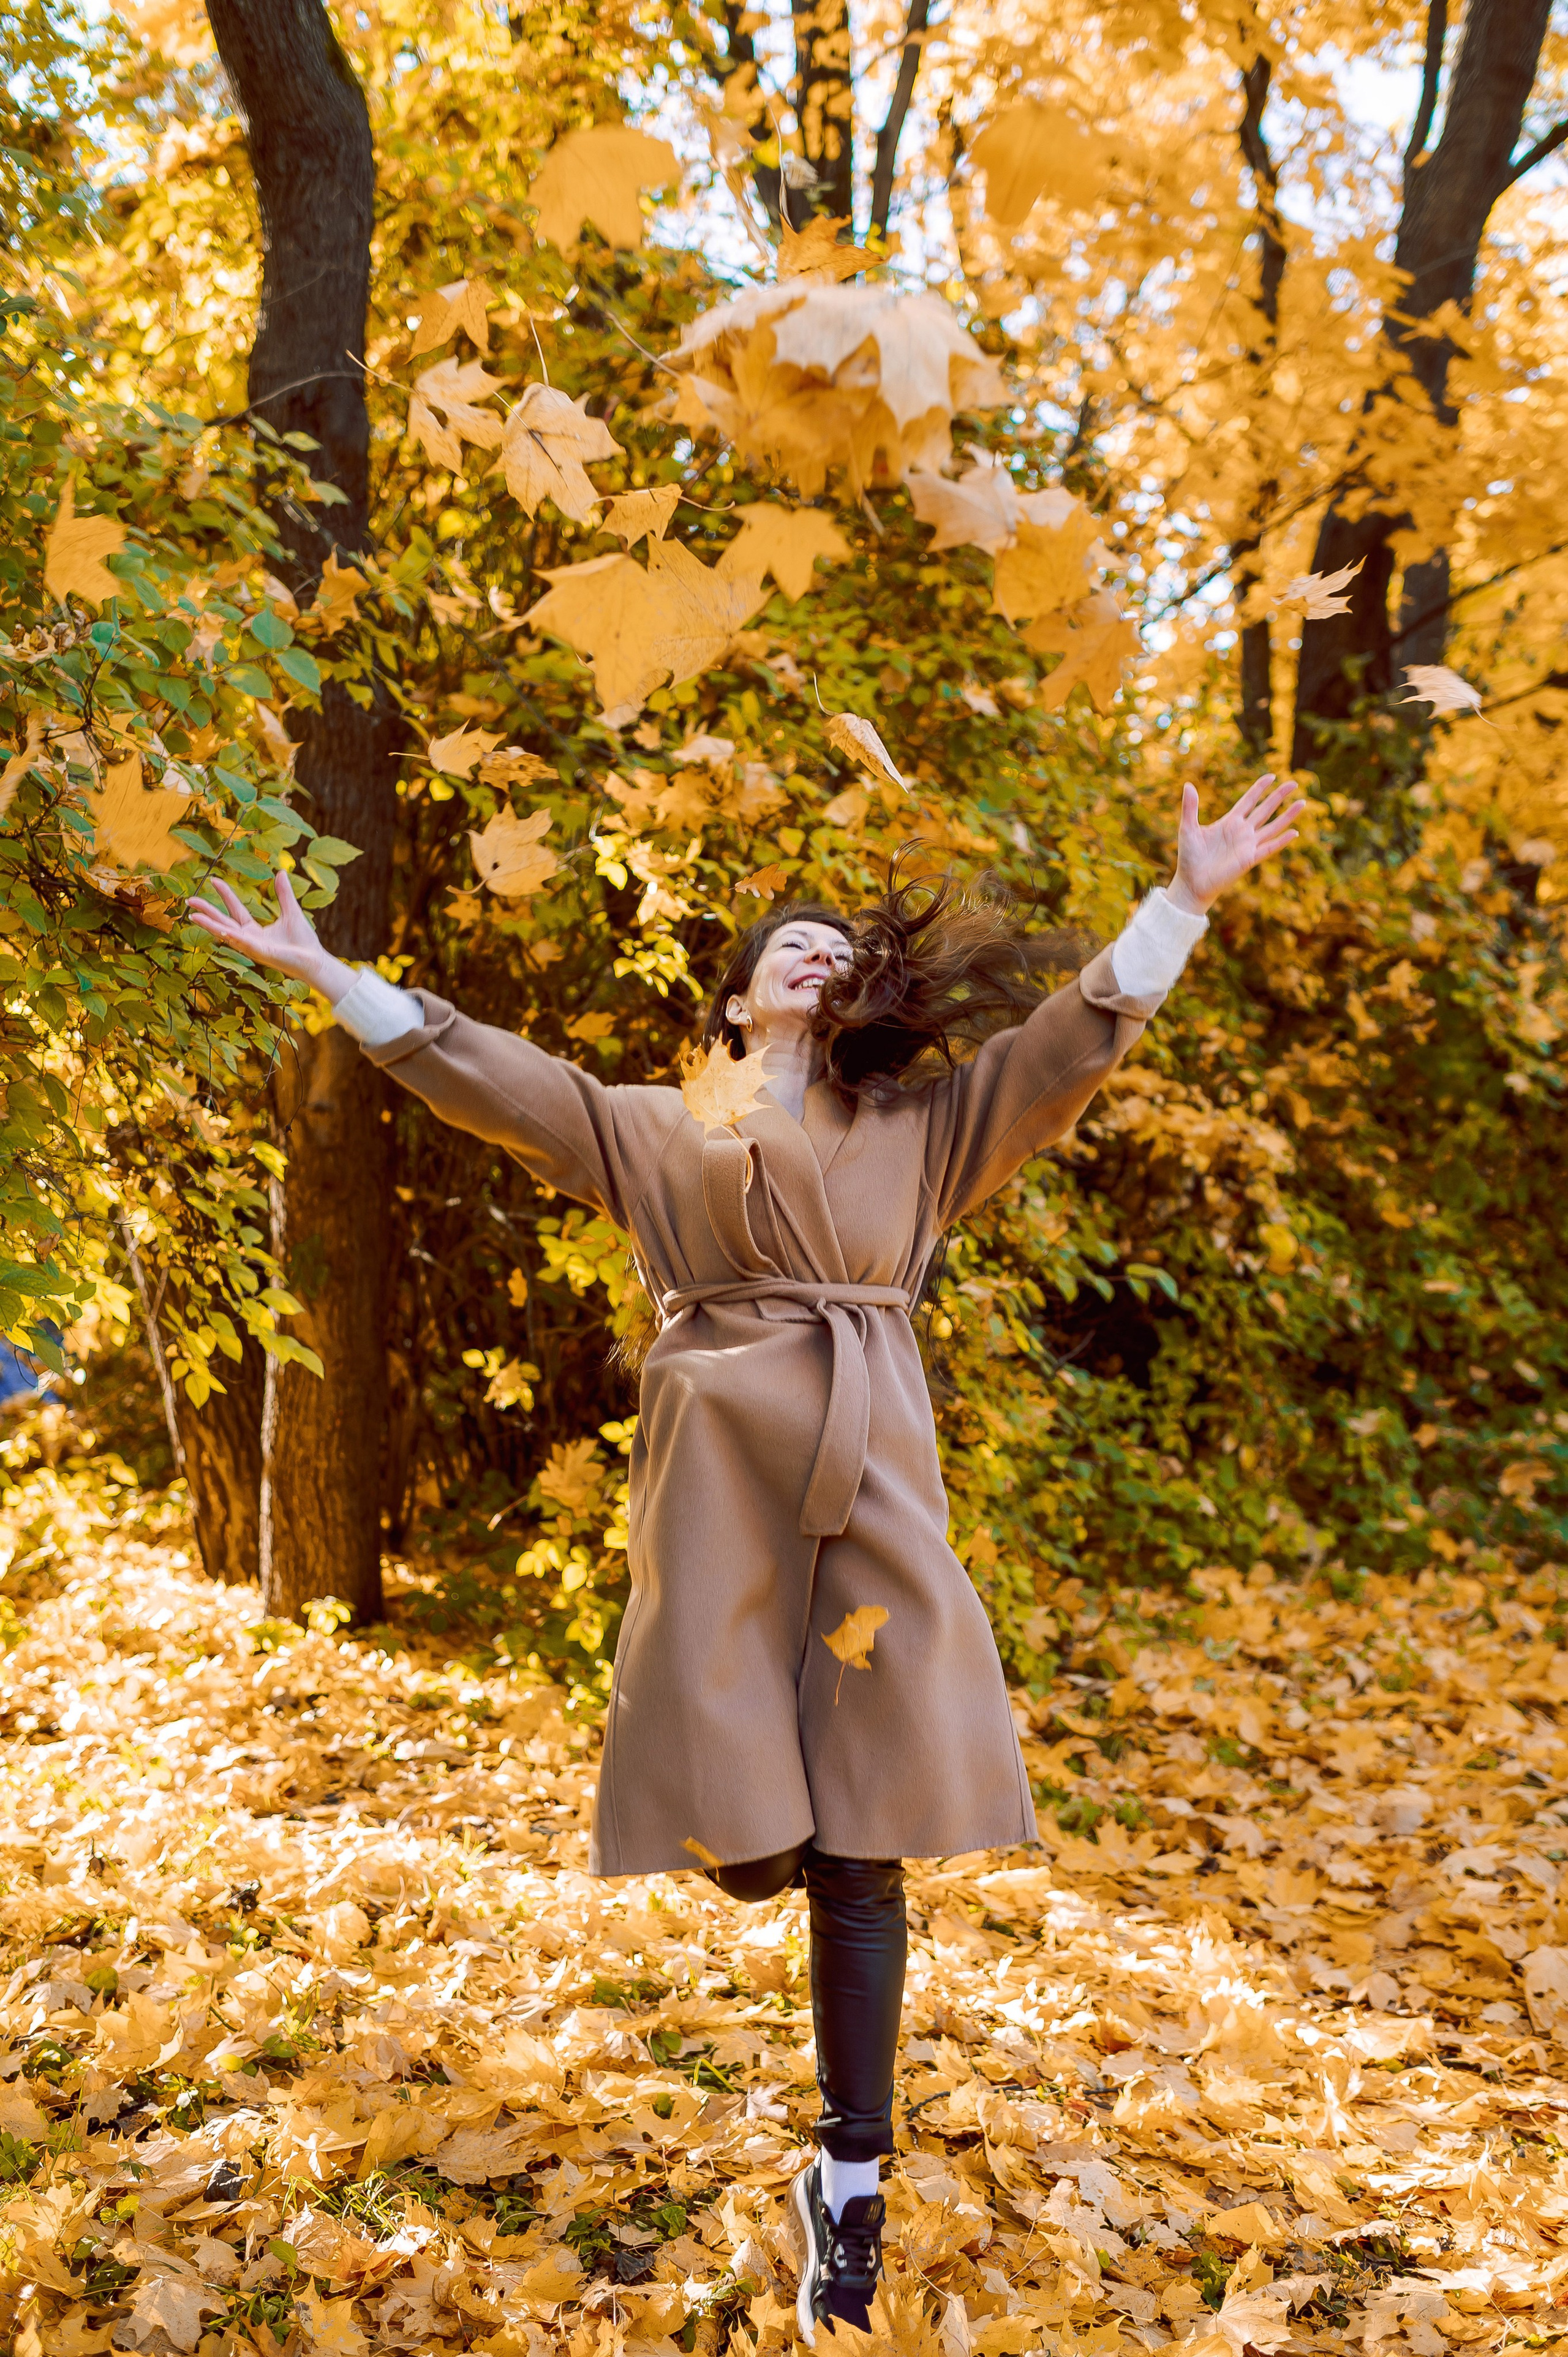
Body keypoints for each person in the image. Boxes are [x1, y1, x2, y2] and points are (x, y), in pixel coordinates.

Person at [187, 771, 1305, 2342]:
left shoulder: (915, 1129)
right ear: (729, 996)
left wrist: (1178, 899)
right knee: (756, 1841)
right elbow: (486, 1077)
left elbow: (1069, 1047)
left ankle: (847, 2183)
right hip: (718, 1491)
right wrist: (330, 975)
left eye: (836, 950)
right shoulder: (654, 1130)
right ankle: (772, 1874)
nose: (814, 957)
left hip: (871, 1485)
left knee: (864, 1846)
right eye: (789, 943)